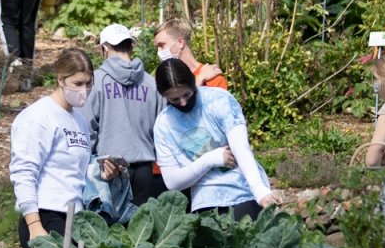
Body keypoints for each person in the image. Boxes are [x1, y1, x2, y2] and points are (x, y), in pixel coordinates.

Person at [152, 59, 277, 220]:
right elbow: (172, 182)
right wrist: (210, 159)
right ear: (164, 96)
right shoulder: (163, 125)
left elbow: (241, 149)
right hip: (205, 199)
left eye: (187, 94)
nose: (183, 102)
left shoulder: (219, 100)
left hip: (243, 190)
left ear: (193, 83)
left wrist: (259, 191)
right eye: (174, 99)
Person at [10, 48, 94, 248]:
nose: (84, 90)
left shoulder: (79, 120)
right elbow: (24, 171)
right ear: (60, 80)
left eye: (88, 83)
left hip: (74, 217)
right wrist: (34, 224)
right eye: (78, 84)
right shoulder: (39, 116)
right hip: (45, 215)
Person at [86, 23, 167, 208]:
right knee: (140, 233)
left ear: (104, 48)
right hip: (145, 172)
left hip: (109, 170)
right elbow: (162, 129)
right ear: (132, 46)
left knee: (108, 233)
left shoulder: (95, 82)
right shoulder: (152, 83)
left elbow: (87, 128)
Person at [153, 18, 227, 89]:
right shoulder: (163, 78)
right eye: (157, 47)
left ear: (180, 43)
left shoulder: (213, 79)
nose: (159, 52)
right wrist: (199, 80)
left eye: (161, 45)